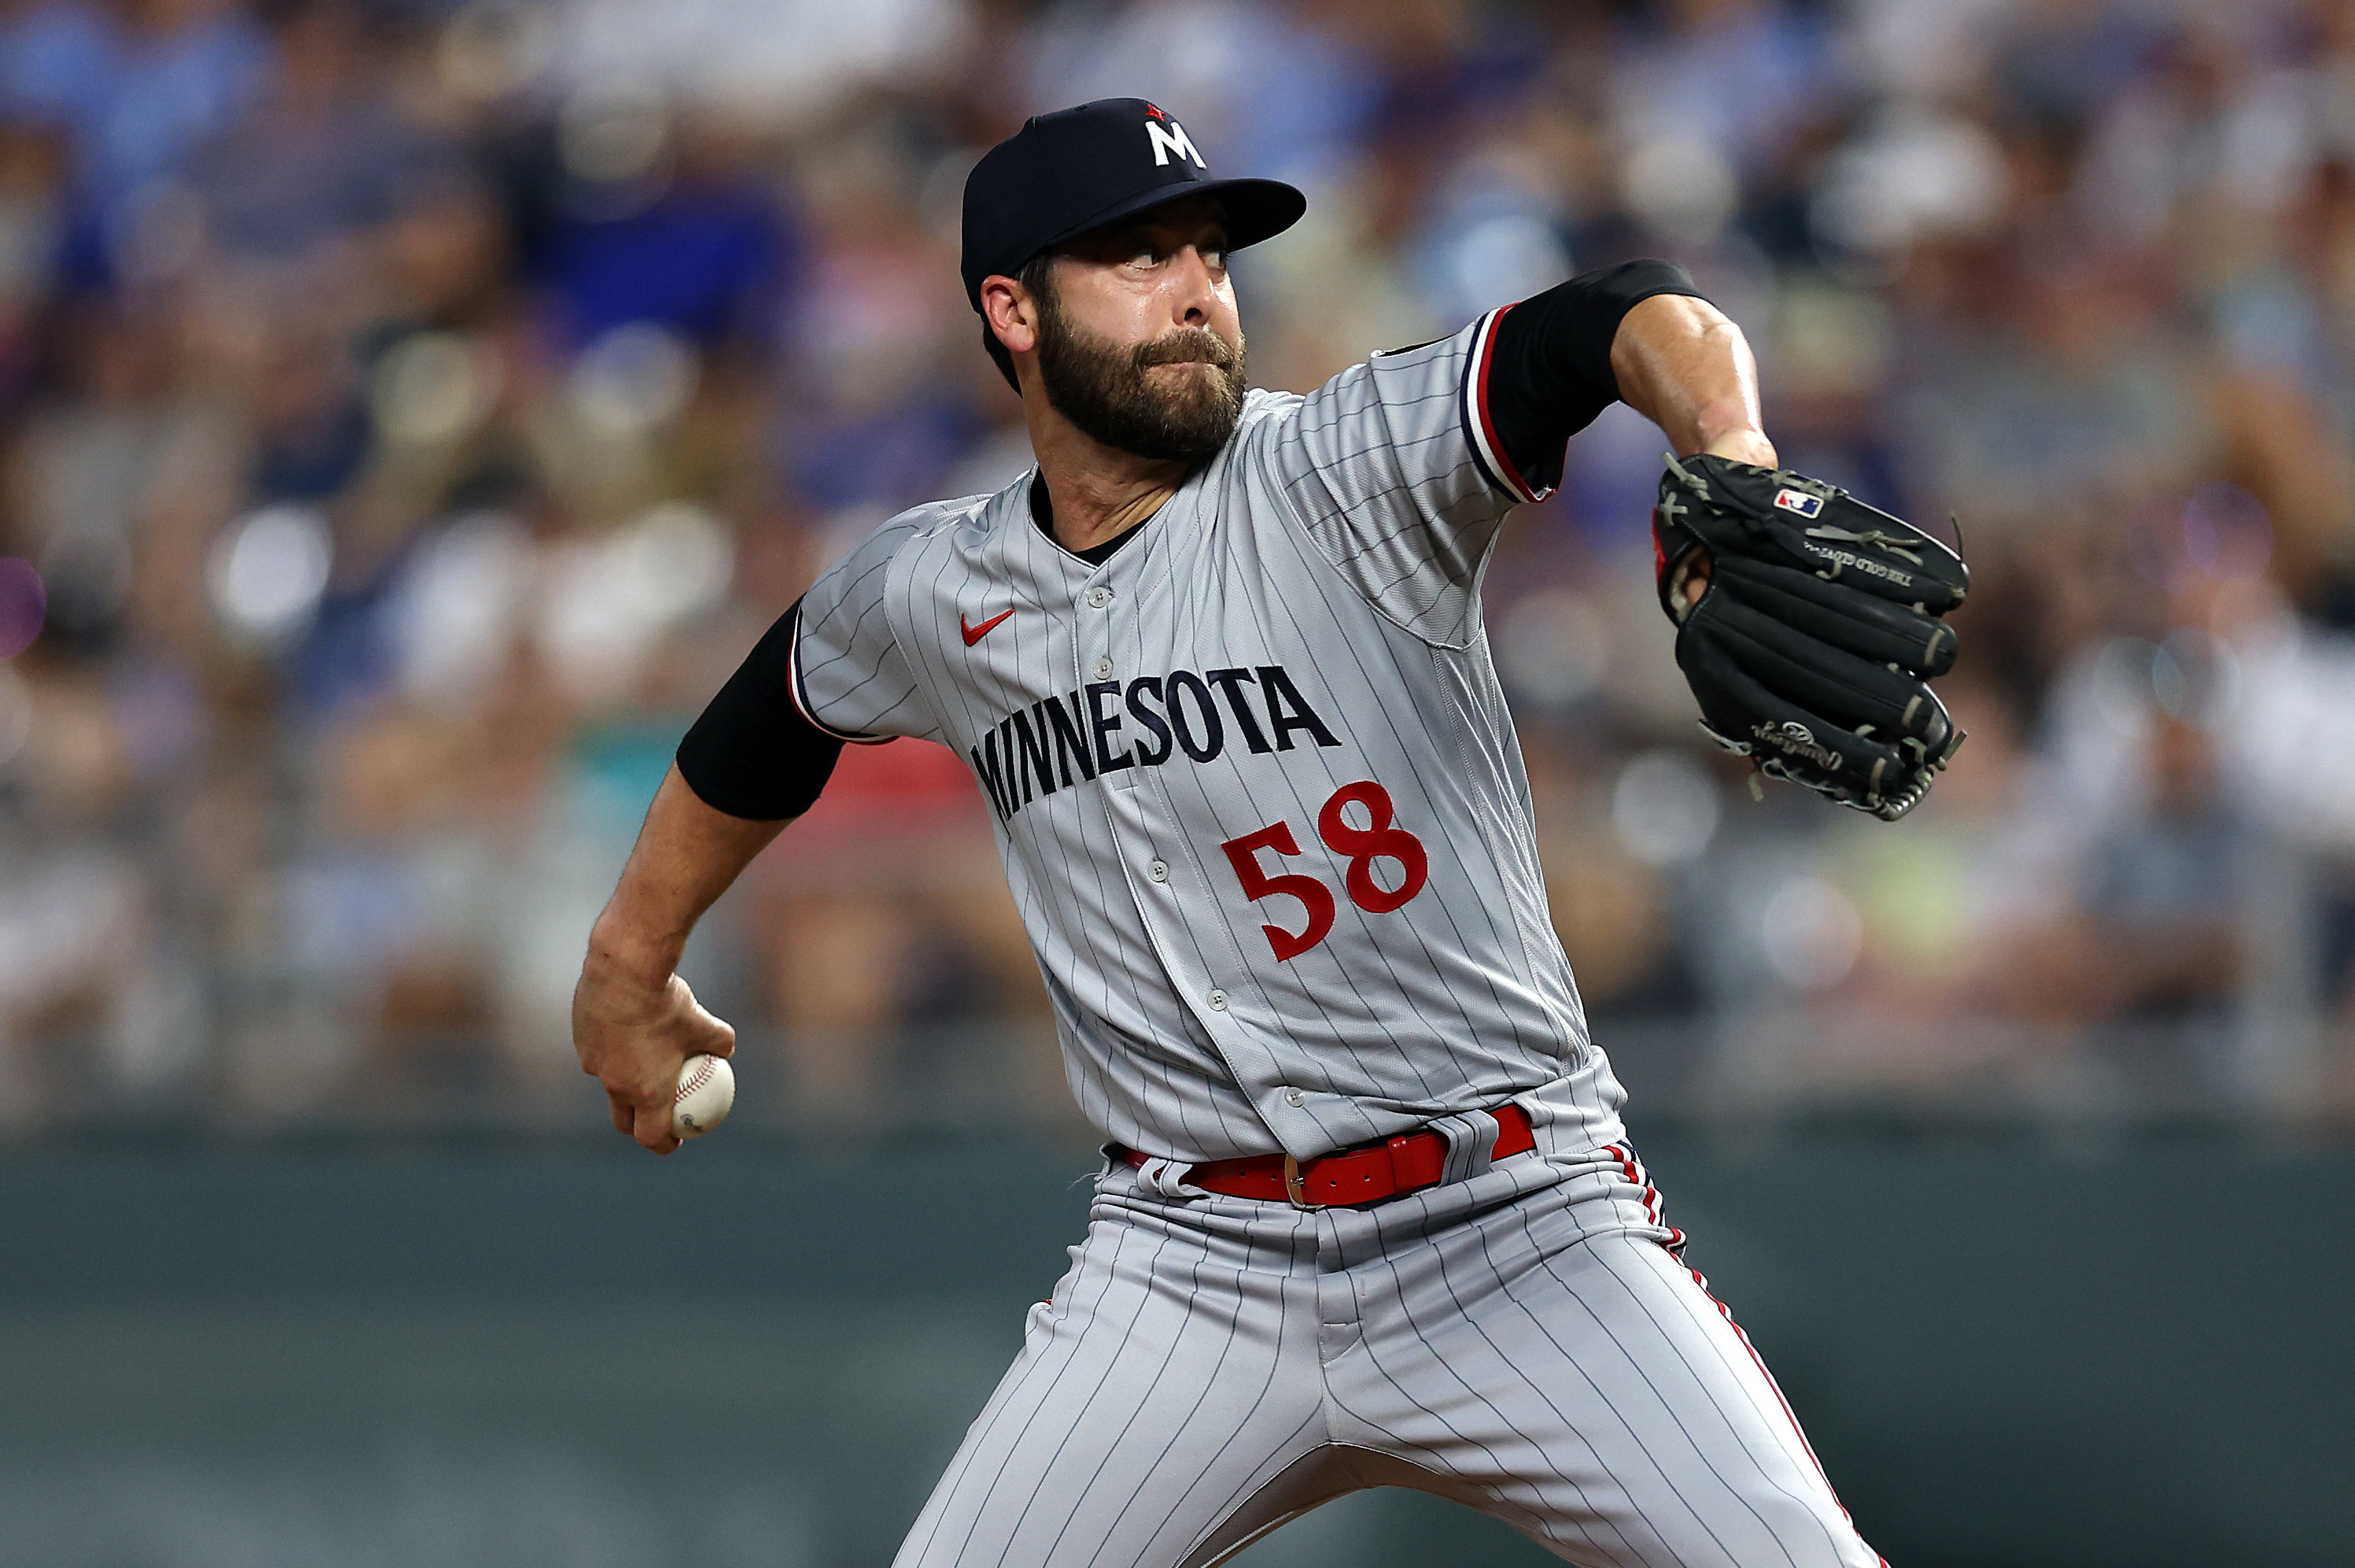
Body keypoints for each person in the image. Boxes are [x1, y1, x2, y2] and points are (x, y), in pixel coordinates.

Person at [573, 99, 1883, 1568]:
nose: (1197, 287)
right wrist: (629, 955)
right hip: (1190, 1268)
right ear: (1011, 311)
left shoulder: (1345, 471)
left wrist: (1735, 446)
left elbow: (1615, 315)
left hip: (1515, 1223)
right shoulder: (933, 587)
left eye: (1210, 251)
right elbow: (774, 714)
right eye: (1136, 257)